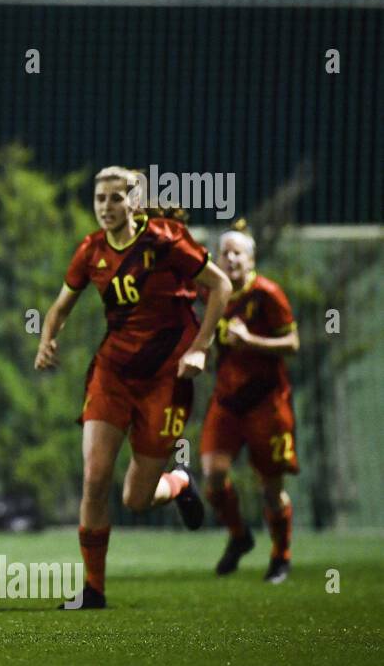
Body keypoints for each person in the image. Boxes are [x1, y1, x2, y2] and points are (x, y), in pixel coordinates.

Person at [35, 166, 232, 609]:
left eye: (115, 198)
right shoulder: (91, 251)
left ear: (134, 201)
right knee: (95, 477)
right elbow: (61, 305)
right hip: (114, 373)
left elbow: (221, 286)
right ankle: (94, 589)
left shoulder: (166, 240)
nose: (106, 207)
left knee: (137, 498)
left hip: (166, 378)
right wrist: (48, 339)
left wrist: (201, 347)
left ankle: (178, 483)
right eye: (99, 199)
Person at [200, 221, 300, 581]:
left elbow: (292, 344)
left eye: (236, 253)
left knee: (271, 489)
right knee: (212, 478)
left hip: (266, 403)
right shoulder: (216, 293)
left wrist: (251, 341)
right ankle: (240, 536)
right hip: (227, 402)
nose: (229, 259)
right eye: (224, 253)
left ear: (251, 258)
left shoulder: (268, 294)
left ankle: (281, 556)